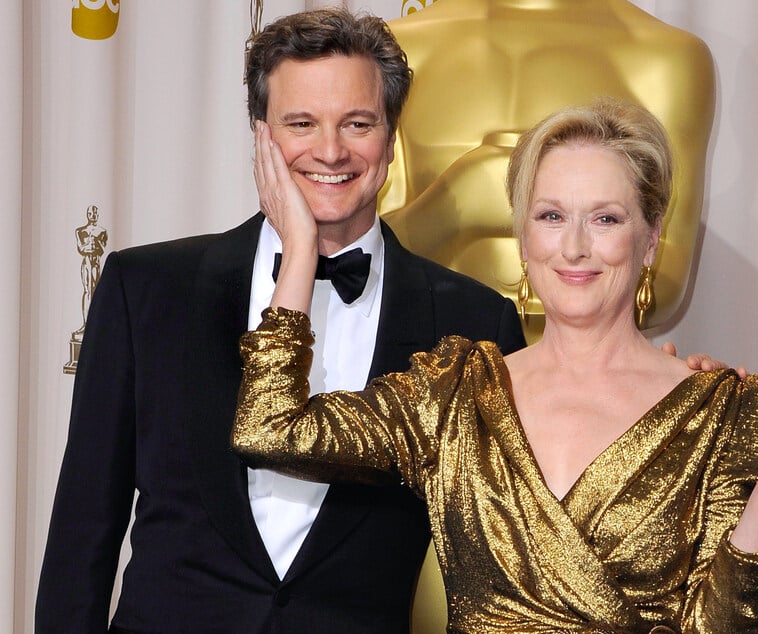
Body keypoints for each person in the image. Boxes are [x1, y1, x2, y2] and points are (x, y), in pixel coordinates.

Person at [233, 99, 758, 632]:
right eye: (550, 216)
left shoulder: (722, 408)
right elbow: (269, 428)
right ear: (523, 237)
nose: (573, 248)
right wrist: (300, 250)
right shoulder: (455, 392)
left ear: (651, 238)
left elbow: (725, 624)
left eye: (604, 219)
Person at [36, 9, 527, 633]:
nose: (330, 151)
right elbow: (84, 531)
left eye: (357, 123)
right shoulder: (147, 290)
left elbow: (504, 560)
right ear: (261, 134)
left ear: (391, 133)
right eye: (302, 123)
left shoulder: (474, 323)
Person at [380, 0, 716, 339]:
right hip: (427, 371)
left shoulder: (668, 55)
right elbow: (362, 258)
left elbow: (667, 276)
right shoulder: (398, 47)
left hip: (596, 374)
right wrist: (458, 206)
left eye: (606, 219)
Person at [74, 203, 108, 332]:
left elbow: (103, 249)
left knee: (96, 290)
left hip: (96, 261)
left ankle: (95, 324)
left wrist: (97, 241)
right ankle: (85, 324)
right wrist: (89, 243)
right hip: (87, 260)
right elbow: (81, 248)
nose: (92, 215)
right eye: (90, 213)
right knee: (87, 290)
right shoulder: (80, 231)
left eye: (94, 213)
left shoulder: (102, 231)